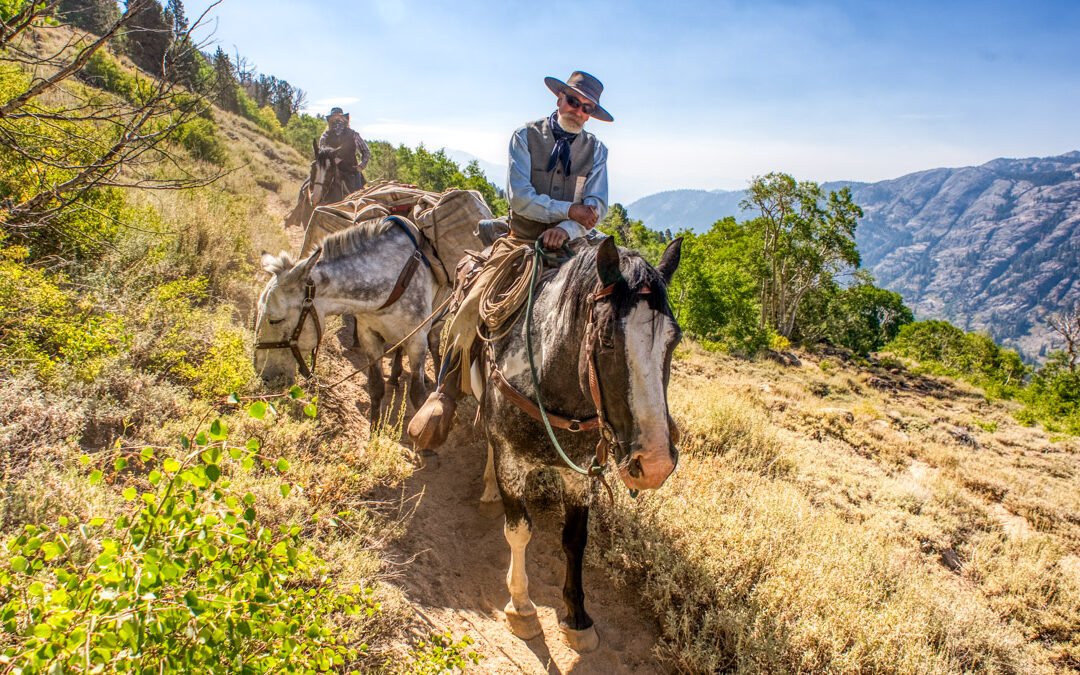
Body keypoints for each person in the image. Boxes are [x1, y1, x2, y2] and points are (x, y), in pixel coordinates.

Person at [407, 71, 613, 451]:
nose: (579, 111)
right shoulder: (525, 137)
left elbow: (597, 206)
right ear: (559, 100)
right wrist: (570, 209)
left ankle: (611, 417)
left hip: (572, 244)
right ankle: (444, 395)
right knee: (471, 304)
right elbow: (520, 198)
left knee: (612, 315)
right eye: (574, 102)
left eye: (587, 108)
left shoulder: (597, 151)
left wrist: (566, 229)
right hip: (521, 239)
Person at [318, 107, 370, 194]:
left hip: (351, 172)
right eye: (334, 118)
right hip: (330, 172)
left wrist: (361, 166)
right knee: (312, 186)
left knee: (358, 197)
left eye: (339, 117)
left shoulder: (353, 134)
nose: (336, 119)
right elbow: (321, 153)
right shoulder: (325, 136)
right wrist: (332, 160)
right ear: (330, 120)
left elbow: (366, 151)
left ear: (344, 119)